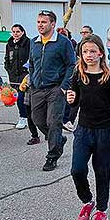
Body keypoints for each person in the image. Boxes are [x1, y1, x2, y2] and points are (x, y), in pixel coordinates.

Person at [67, 34, 110, 220]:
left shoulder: (109, 77)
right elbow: (74, 102)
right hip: (83, 130)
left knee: (102, 172)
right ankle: (87, 201)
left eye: (93, 51)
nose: (89, 55)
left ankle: (101, 210)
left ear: (101, 52)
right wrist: (71, 99)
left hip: (105, 131)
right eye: (85, 52)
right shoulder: (77, 74)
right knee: (77, 170)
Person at [29, 10, 76, 171]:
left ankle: (52, 156)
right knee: (38, 120)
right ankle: (58, 140)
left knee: (53, 122)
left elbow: (72, 65)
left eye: (44, 22)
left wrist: (64, 87)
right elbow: (32, 64)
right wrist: (32, 82)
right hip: (37, 89)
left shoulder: (63, 43)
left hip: (56, 89)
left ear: (53, 24)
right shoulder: (33, 42)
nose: (40, 25)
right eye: (38, 22)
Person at [64, 25, 94, 132]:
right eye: (82, 32)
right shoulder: (79, 45)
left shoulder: (95, 44)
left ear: (91, 33)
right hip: (79, 73)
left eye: (86, 32)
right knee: (76, 97)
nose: (83, 34)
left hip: (91, 74)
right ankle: (70, 121)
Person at [4, 24, 30, 129]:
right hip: (14, 76)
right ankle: (27, 116)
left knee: (21, 97)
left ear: (22, 32)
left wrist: (28, 70)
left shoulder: (28, 43)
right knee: (18, 98)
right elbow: (7, 58)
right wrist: (8, 69)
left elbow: (31, 57)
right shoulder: (9, 44)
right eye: (14, 32)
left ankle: (23, 117)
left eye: (18, 32)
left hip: (24, 75)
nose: (15, 34)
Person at [19, 70, 41, 145]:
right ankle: (35, 136)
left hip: (38, 100)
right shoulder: (27, 77)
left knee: (40, 118)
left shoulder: (42, 75)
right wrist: (23, 86)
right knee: (30, 118)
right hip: (28, 100)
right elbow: (22, 88)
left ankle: (49, 133)